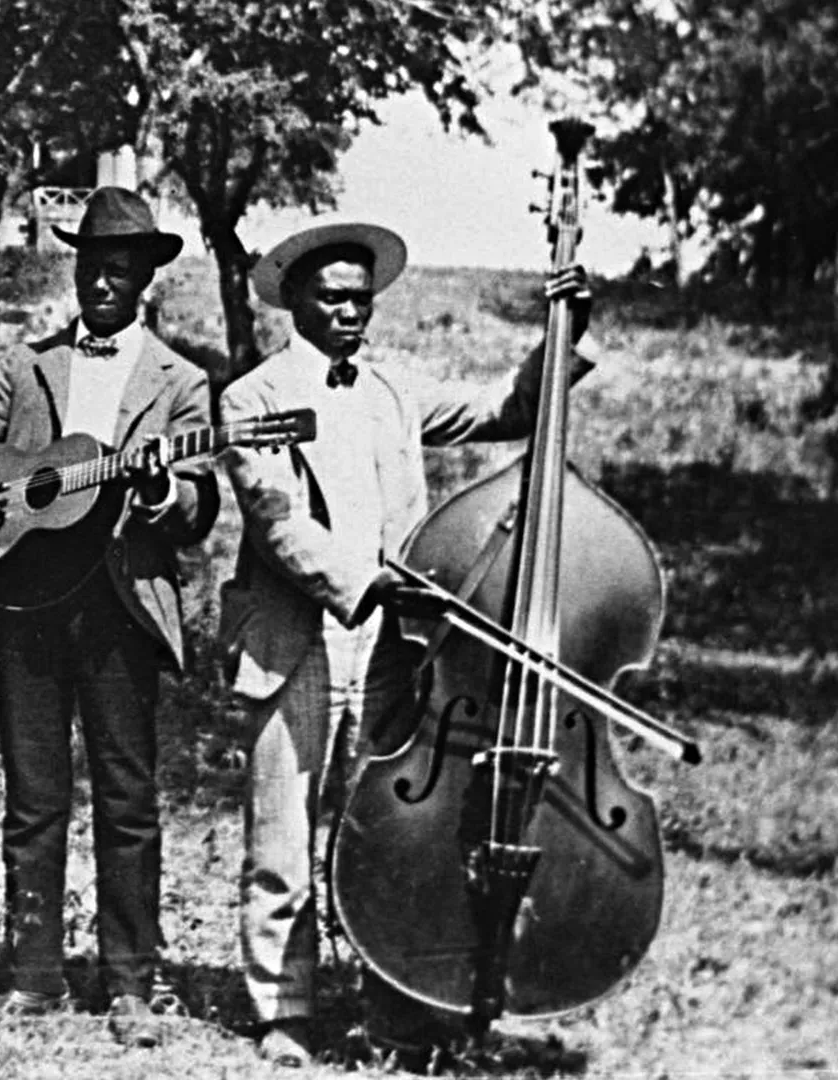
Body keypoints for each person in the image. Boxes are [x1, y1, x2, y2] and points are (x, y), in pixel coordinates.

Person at [218, 219, 593, 1066]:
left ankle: (393, 1002)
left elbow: (511, 408)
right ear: (297, 304)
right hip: (296, 642)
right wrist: (369, 581)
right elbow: (278, 523)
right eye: (333, 299)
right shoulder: (251, 396)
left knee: (386, 831)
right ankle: (284, 1012)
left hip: (392, 650)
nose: (352, 313)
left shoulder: (393, 390)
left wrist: (563, 333)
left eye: (362, 300)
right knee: (282, 838)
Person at [0, 187, 219, 1048]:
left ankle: (130, 984)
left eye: (121, 269)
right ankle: (34, 975)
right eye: (92, 265)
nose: (104, 282)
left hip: (121, 607)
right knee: (32, 796)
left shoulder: (180, 381)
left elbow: (198, 504)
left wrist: (160, 487)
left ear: (145, 279)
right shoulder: (25, 365)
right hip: (25, 606)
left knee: (127, 800)